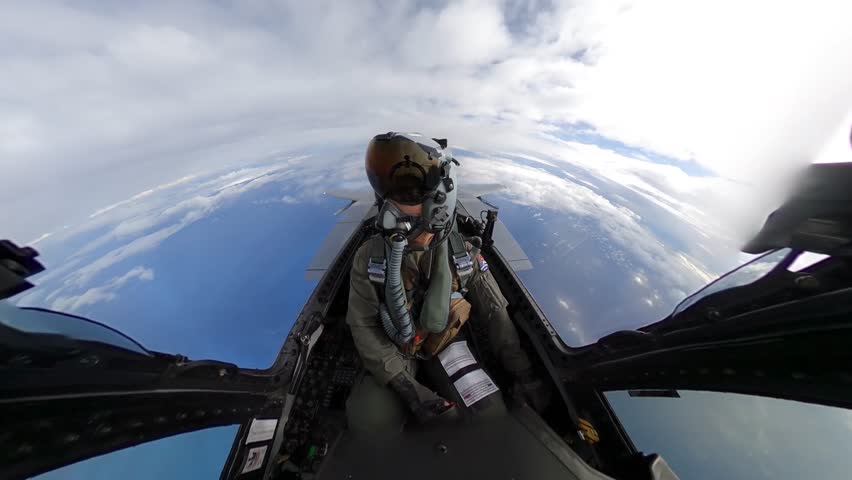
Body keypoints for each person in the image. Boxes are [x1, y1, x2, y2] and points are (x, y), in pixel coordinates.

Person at [345, 132, 547, 433]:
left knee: (490, 414)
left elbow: (495, 315)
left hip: (444, 340)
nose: (392, 205)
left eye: (408, 194)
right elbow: (363, 325)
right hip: (393, 350)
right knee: (370, 422)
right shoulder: (370, 258)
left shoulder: (463, 253)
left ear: (440, 200)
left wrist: (523, 372)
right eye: (390, 192)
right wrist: (408, 388)